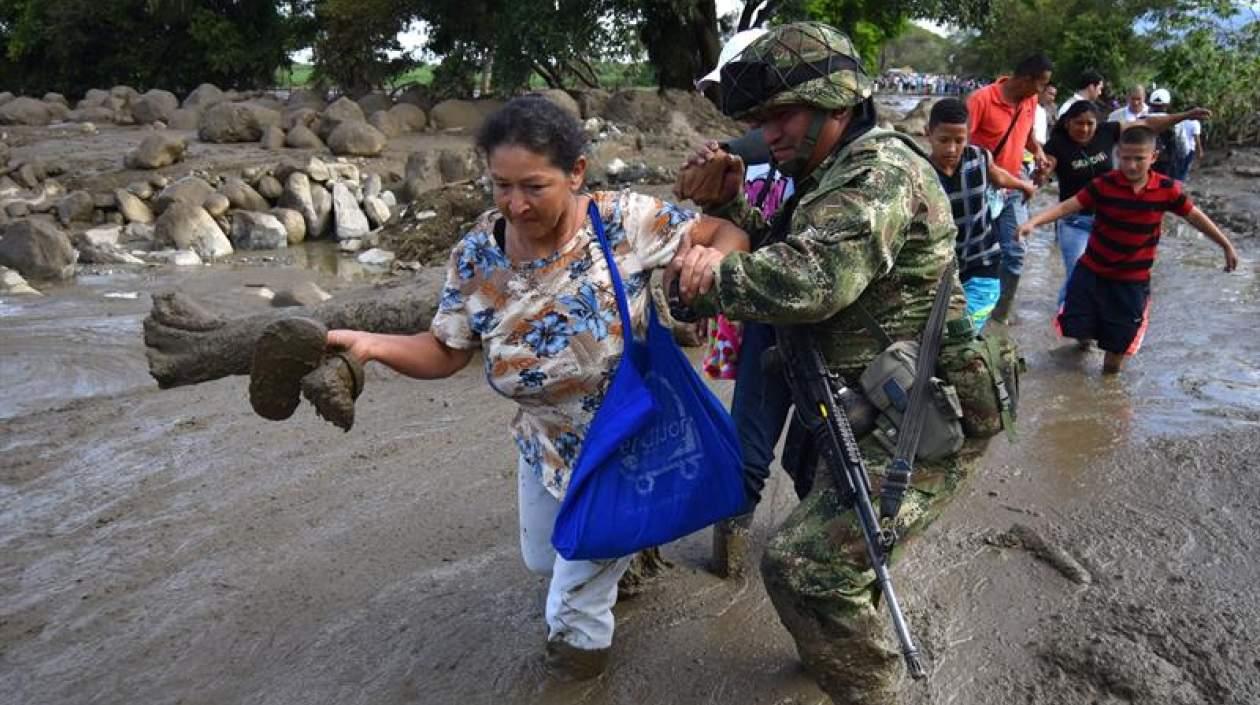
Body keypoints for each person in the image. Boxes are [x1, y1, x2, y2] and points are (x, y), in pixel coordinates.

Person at [322, 96, 749, 681]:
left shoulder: (623, 221)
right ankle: (625, 554)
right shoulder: (476, 253)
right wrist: (369, 345)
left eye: (534, 186)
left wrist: (707, 258)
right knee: (542, 559)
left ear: (576, 173)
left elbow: (726, 231)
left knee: (572, 602)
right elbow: (446, 351)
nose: (515, 204)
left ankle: (576, 670)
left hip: (620, 439)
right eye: (501, 186)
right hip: (543, 440)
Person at [673, 22, 986, 704]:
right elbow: (788, 244)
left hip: (926, 409)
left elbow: (813, 280)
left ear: (835, 106)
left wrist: (705, 274)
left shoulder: (879, 174)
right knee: (824, 510)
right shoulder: (824, 172)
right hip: (864, 395)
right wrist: (723, 204)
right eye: (759, 118)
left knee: (805, 565)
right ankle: (839, 642)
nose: (768, 133)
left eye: (779, 114)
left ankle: (867, 687)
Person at [695, 30, 798, 577]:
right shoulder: (743, 159)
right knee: (748, 451)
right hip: (761, 318)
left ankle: (815, 556)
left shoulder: (832, 164)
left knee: (820, 456)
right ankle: (728, 562)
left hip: (819, 330)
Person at [1019, 126, 1238, 374]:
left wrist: (1226, 245)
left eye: (1139, 159)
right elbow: (1068, 206)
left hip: (1130, 283)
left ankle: (1107, 392)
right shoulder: (1104, 184)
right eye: (1125, 158)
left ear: (1153, 157)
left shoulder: (1166, 190)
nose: (1132, 166)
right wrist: (1033, 222)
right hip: (1092, 273)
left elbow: (1195, 217)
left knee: (1115, 354)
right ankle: (1082, 357)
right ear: (1117, 155)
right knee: (1078, 330)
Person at [1038, 100, 1211, 305]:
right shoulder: (1057, 144)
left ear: (1097, 123)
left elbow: (1147, 126)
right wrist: (1043, 172)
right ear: (1067, 123)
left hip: (1108, 220)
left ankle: (1097, 318)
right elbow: (1047, 166)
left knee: (1109, 275)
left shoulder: (1107, 131)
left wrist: (1184, 115)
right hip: (1075, 221)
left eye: (1089, 124)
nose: (1084, 129)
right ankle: (1066, 319)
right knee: (1077, 273)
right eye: (1078, 123)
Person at [926, 98, 1037, 331]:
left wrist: (1022, 185)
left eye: (959, 140)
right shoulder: (920, 172)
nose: (952, 149)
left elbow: (998, 175)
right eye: (944, 140)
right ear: (928, 134)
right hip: (940, 269)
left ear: (968, 135)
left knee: (966, 332)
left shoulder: (979, 157)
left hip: (983, 260)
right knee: (938, 335)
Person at [966, 53, 1054, 324]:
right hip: (980, 187)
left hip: (1013, 187)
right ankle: (970, 313)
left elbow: (1027, 137)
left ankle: (1000, 316)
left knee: (1015, 251)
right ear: (1027, 80)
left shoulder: (1029, 101)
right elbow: (963, 147)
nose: (1044, 91)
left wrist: (1038, 151)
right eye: (1042, 84)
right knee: (974, 253)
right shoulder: (981, 99)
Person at [1176, 114, 1203, 181]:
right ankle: (1180, 185)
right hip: (1190, 148)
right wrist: (1200, 150)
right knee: (1184, 169)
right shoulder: (1195, 123)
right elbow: (1196, 138)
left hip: (1179, 147)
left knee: (1178, 168)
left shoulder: (1181, 121)